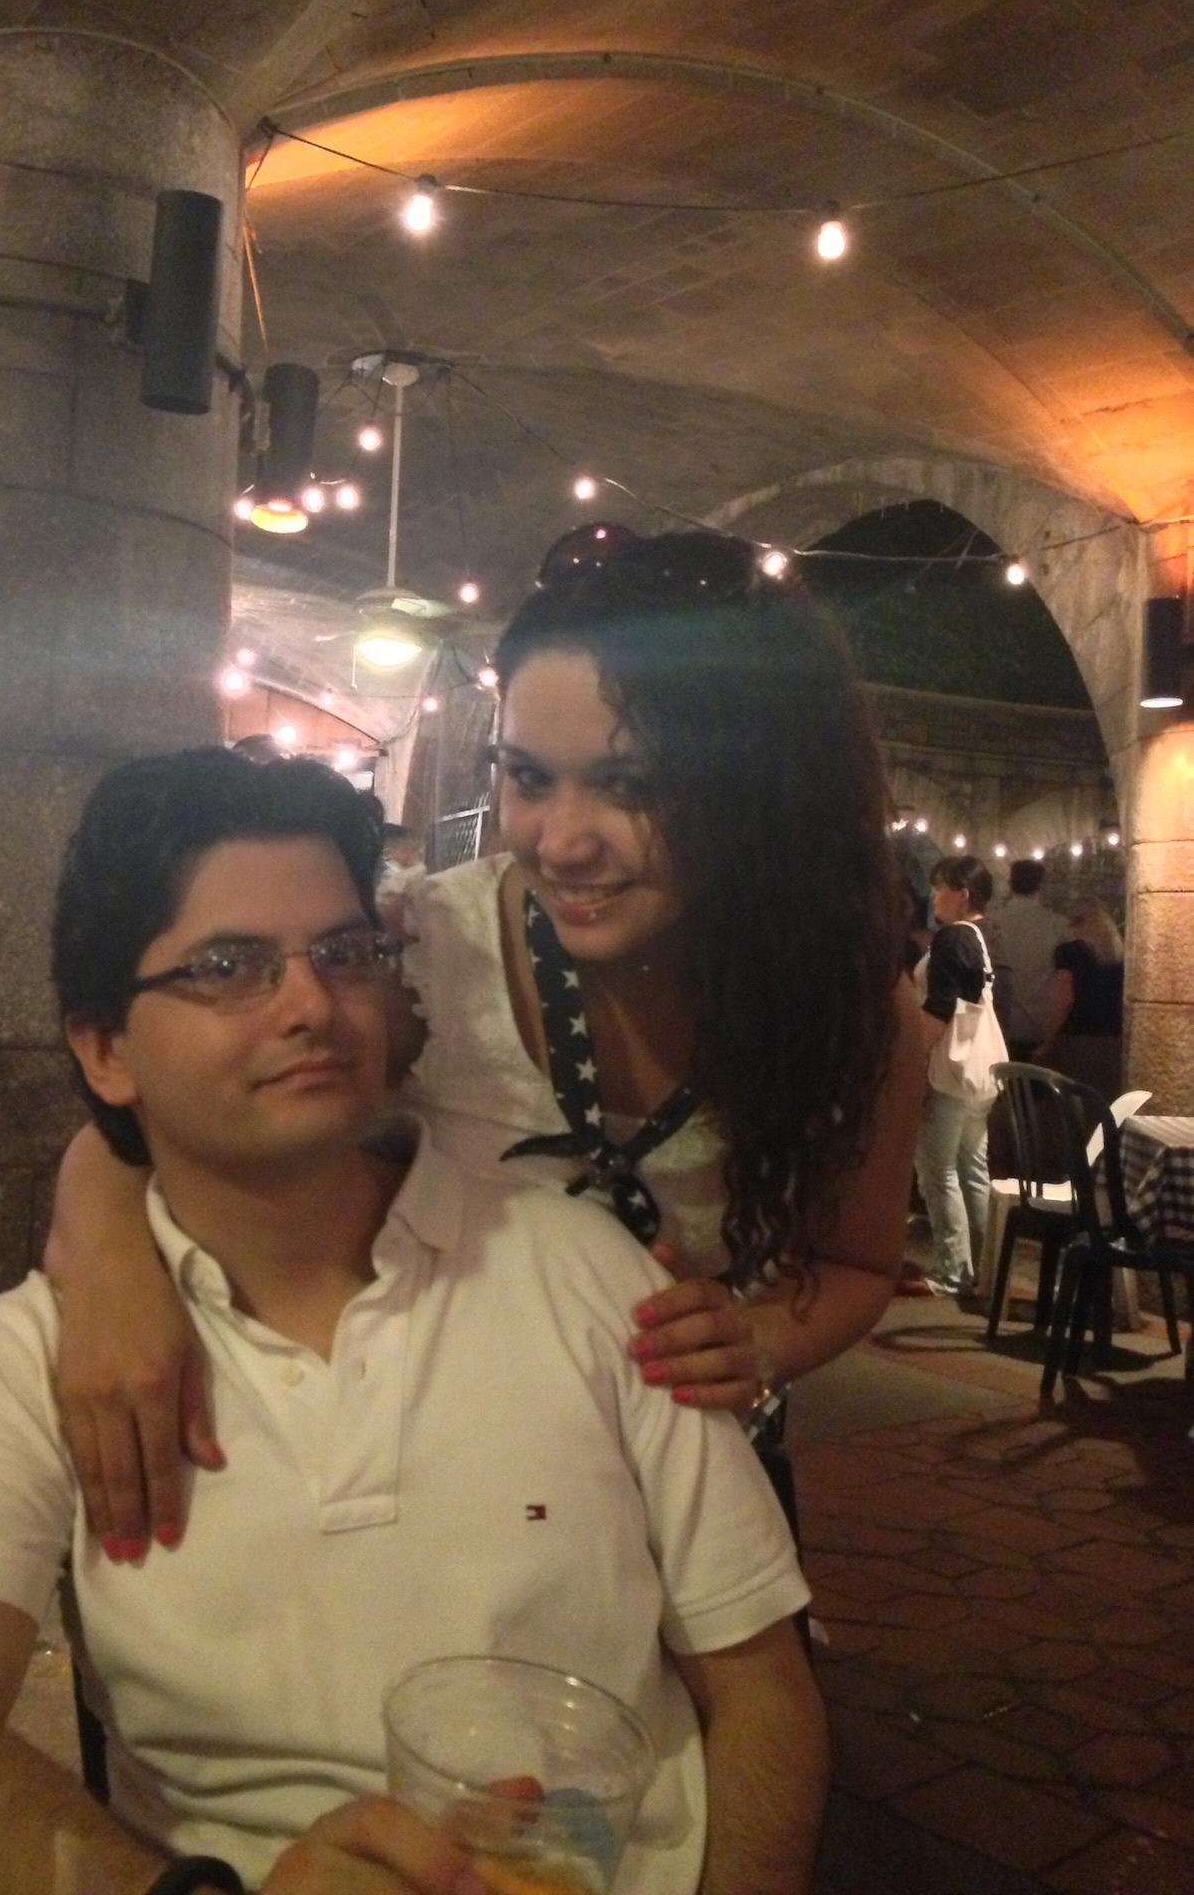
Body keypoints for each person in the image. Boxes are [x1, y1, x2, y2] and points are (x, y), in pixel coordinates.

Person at [0, 750, 825, 1895]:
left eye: (344, 953)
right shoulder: (46, 1354)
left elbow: (762, 1688)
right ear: (106, 1048)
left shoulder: (585, 1268)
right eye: (228, 967)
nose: (312, 1005)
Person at [46, 526, 926, 1552]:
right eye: (530, 777)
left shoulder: (846, 1005)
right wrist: (109, 1271)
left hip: (685, 1494)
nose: (562, 840)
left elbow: (857, 1264)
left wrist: (760, 1339)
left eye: (631, 786)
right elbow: (145, 1124)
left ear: (764, 790)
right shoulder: (424, 951)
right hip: (445, 1489)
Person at [907, 854, 1005, 1298]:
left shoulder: (952, 938)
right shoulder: (985, 936)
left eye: (939, 887)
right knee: (972, 1170)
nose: (933, 896)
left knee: (937, 1170)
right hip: (980, 1072)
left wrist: (914, 1061)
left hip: (949, 1072)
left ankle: (954, 1270)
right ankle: (987, 1269)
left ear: (962, 893)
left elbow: (940, 1008)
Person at [1034, 894, 1124, 1100]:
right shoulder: (1120, 955)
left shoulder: (1069, 952)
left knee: (1076, 1105)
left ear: (1076, 922)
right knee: (1106, 1104)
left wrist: (1047, 1041)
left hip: (1077, 1040)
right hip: (1114, 1041)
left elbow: (1064, 999)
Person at [991, 859, 1066, 1059]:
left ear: (1010, 883)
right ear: (1041, 884)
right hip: (1041, 1025)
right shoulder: (1057, 925)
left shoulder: (994, 922)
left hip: (1001, 1023)